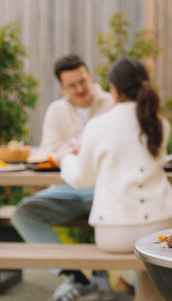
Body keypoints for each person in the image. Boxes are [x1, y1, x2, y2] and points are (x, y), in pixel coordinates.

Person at [56, 56, 172, 300]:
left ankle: (127, 284)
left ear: (113, 89)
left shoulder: (97, 125)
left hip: (117, 233)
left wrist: (65, 160)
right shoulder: (159, 123)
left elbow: (83, 179)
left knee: (142, 252)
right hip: (164, 225)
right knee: (152, 255)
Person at [11, 55, 115, 301]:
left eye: (83, 81)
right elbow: (47, 153)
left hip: (103, 190)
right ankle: (77, 278)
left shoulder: (112, 103)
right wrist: (68, 151)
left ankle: (102, 272)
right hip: (66, 188)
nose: (80, 89)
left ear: (90, 76)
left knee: (113, 209)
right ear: (62, 87)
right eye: (72, 85)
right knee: (22, 213)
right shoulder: (56, 110)